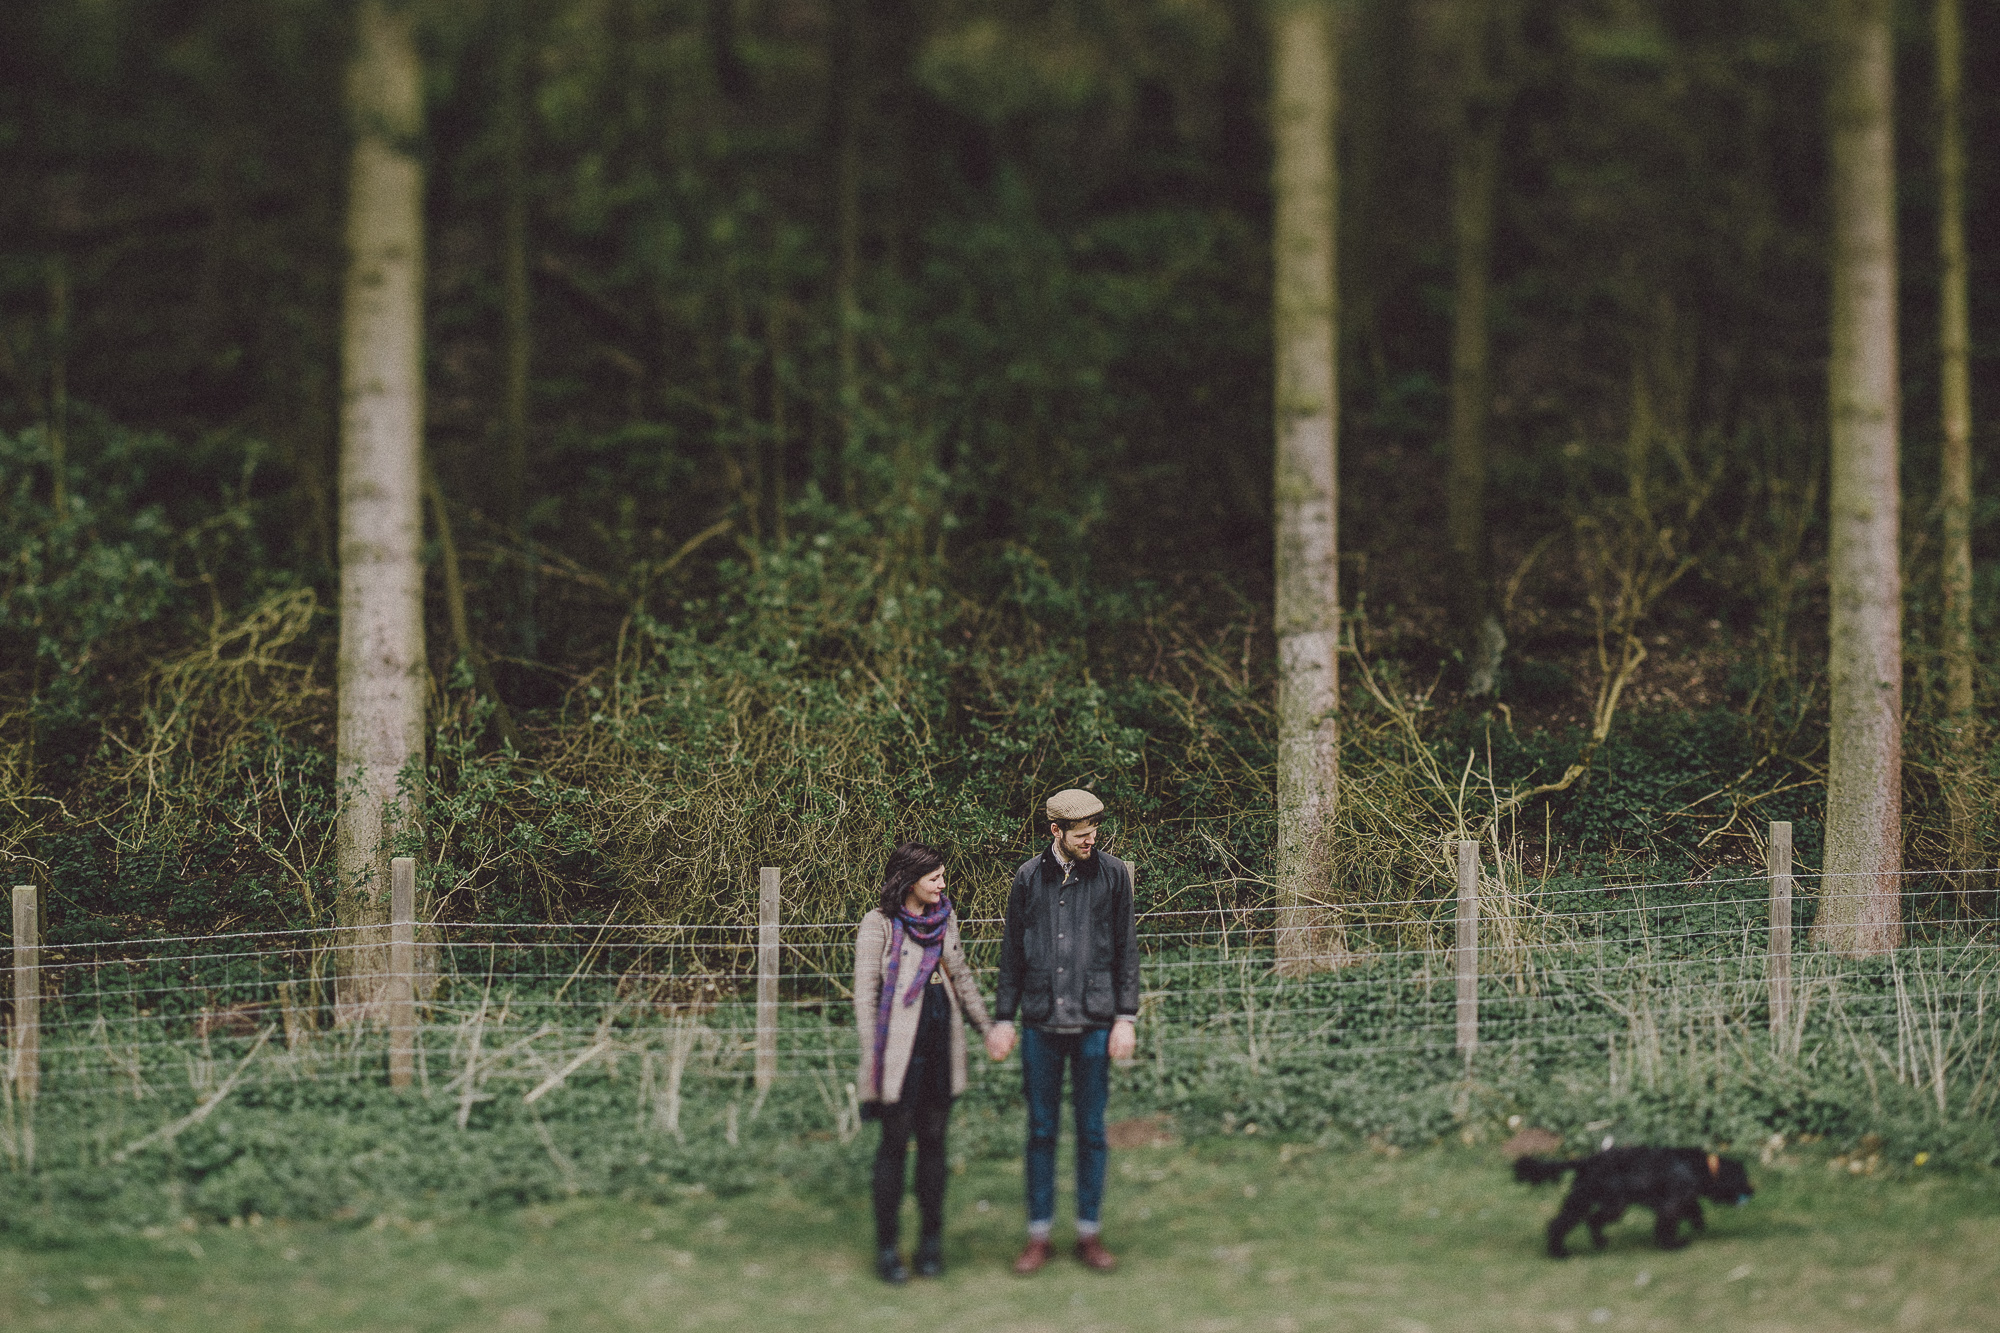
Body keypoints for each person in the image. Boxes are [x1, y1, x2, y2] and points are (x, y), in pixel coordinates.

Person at [986, 788, 1140, 1274]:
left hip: (1096, 1024)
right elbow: (1012, 951)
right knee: (1041, 1131)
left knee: (1092, 1132)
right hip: (1040, 1024)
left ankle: (1089, 1235)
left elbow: (1126, 950)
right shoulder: (1028, 878)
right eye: (1080, 834)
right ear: (1056, 831)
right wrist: (1004, 1017)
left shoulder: (1114, 875)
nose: (1090, 839)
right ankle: (1038, 1235)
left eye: (1094, 831)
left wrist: (1125, 1018)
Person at [854, 841, 992, 1283]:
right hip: (896, 1050)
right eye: (934, 877)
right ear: (909, 879)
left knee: (934, 1140)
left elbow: (963, 976)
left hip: (941, 1039)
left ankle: (931, 1244)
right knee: (894, 1144)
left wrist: (989, 1029)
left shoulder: (946, 917)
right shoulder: (879, 924)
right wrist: (873, 1060)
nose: (942, 884)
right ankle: (887, 1249)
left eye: (942, 876)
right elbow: (865, 996)